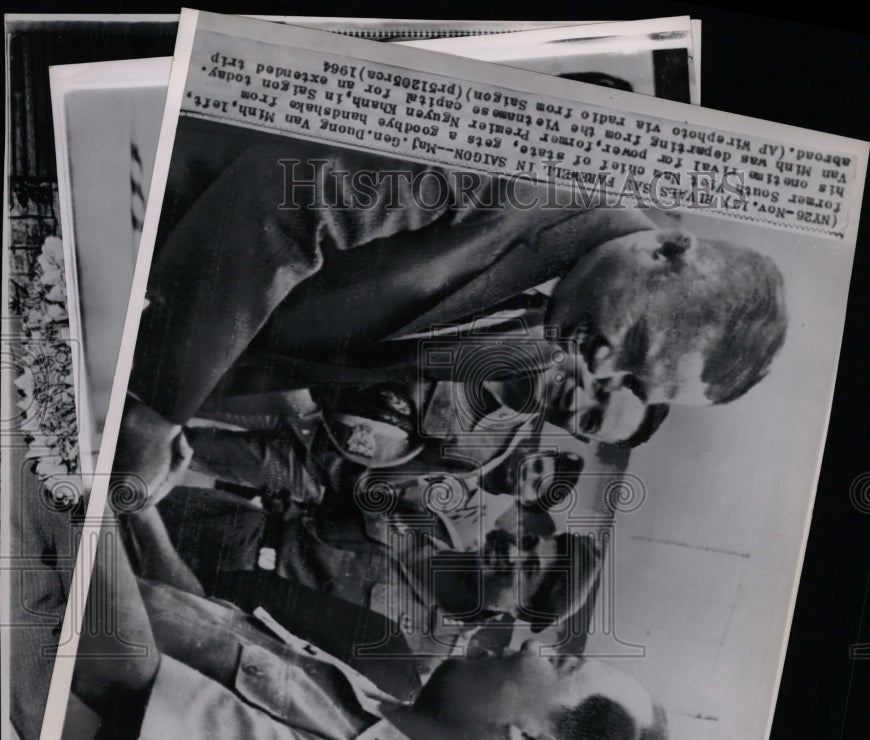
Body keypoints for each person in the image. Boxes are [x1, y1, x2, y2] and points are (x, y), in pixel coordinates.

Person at [115, 132, 786, 504]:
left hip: (133, 332)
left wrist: (174, 417)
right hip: (128, 207)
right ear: (666, 251)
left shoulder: (540, 345)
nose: (606, 366)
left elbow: (324, 355)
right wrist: (160, 404)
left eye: (636, 378)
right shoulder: (525, 158)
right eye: (638, 339)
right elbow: (281, 206)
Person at [42, 507, 668, 740]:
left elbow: (115, 674)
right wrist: (139, 503)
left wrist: (78, 489)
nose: (532, 647)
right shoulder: (386, 724)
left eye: (560, 662)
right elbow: (201, 630)